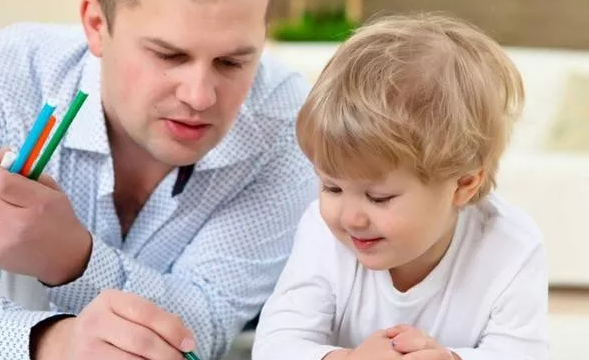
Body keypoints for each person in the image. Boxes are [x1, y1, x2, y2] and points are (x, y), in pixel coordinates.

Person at [0, 0, 316, 359]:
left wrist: (69, 257)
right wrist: (48, 342)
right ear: (96, 24)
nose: (199, 97)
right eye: (168, 55)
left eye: (232, 62)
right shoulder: (11, 76)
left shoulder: (287, 123)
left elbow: (201, 327)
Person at [252, 13, 549, 360]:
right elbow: (275, 345)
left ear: (464, 184)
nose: (349, 217)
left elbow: (523, 353)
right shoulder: (322, 234)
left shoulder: (511, 247)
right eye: (331, 187)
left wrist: (451, 359)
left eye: (379, 197)